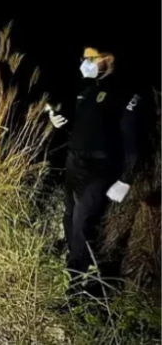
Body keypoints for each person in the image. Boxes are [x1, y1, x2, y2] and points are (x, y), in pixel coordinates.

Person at [48, 42, 142, 292]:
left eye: (90, 59)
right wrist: (57, 119)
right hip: (74, 161)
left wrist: (126, 179)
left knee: (82, 222)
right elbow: (81, 126)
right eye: (83, 59)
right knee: (69, 217)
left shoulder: (125, 94)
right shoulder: (87, 90)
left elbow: (132, 141)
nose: (84, 64)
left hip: (98, 167)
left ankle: (76, 285)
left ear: (108, 59)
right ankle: (78, 265)